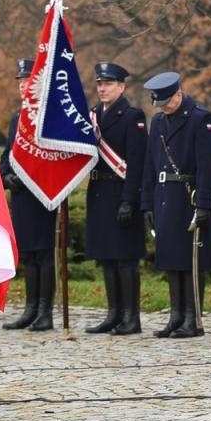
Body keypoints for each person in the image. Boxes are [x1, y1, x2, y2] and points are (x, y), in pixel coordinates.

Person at [140, 71, 211, 338]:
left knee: (190, 260)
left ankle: (192, 317)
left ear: (178, 94)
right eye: (160, 104)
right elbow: (150, 165)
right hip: (164, 197)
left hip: (189, 197)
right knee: (171, 260)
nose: (164, 108)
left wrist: (205, 204)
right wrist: (147, 203)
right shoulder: (159, 121)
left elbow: (209, 166)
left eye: (168, 102)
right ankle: (176, 315)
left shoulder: (200, 118)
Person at [84, 61, 147, 336]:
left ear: (122, 86)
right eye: (100, 84)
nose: (103, 88)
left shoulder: (132, 116)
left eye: (108, 84)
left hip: (121, 192)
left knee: (125, 259)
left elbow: (137, 162)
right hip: (99, 194)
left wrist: (129, 200)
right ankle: (113, 313)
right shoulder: (94, 115)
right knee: (106, 257)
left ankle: (131, 317)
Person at [0, 59, 59, 332]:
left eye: (27, 82)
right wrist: (6, 176)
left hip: (43, 193)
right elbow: (8, 155)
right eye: (20, 83)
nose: (23, 86)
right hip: (21, 194)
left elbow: (56, 155)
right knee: (28, 254)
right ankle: (31, 308)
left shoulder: (49, 116)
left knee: (44, 253)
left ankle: (45, 310)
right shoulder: (16, 117)